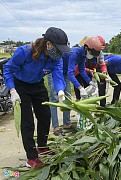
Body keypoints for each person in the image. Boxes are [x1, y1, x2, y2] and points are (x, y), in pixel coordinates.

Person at [3, 27, 71, 168]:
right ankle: (32, 157)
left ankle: (42, 146)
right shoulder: (25, 52)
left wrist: (60, 91)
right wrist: (12, 90)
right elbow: (8, 69)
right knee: (27, 122)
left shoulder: (55, 58)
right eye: (58, 49)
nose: (59, 53)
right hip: (21, 85)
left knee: (45, 116)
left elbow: (58, 75)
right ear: (48, 44)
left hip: (37, 85)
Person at [63, 36, 102, 102]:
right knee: (55, 97)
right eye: (91, 53)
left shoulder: (83, 55)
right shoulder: (74, 53)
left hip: (65, 72)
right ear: (86, 48)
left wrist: (90, 82)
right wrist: (80, 88)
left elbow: (82, 70)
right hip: (57, 71)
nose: (92, 55)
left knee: (68, 97)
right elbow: (70, 73)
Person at [74, 36, 108, 106]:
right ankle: (78, 105)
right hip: (79, 72)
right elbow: (78, 67)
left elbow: (102, 63)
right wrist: (88, 70)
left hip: (88, 73)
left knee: (88, 90)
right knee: (79, 90)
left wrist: (104, 71)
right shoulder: (86, 52)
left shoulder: (100, 53)